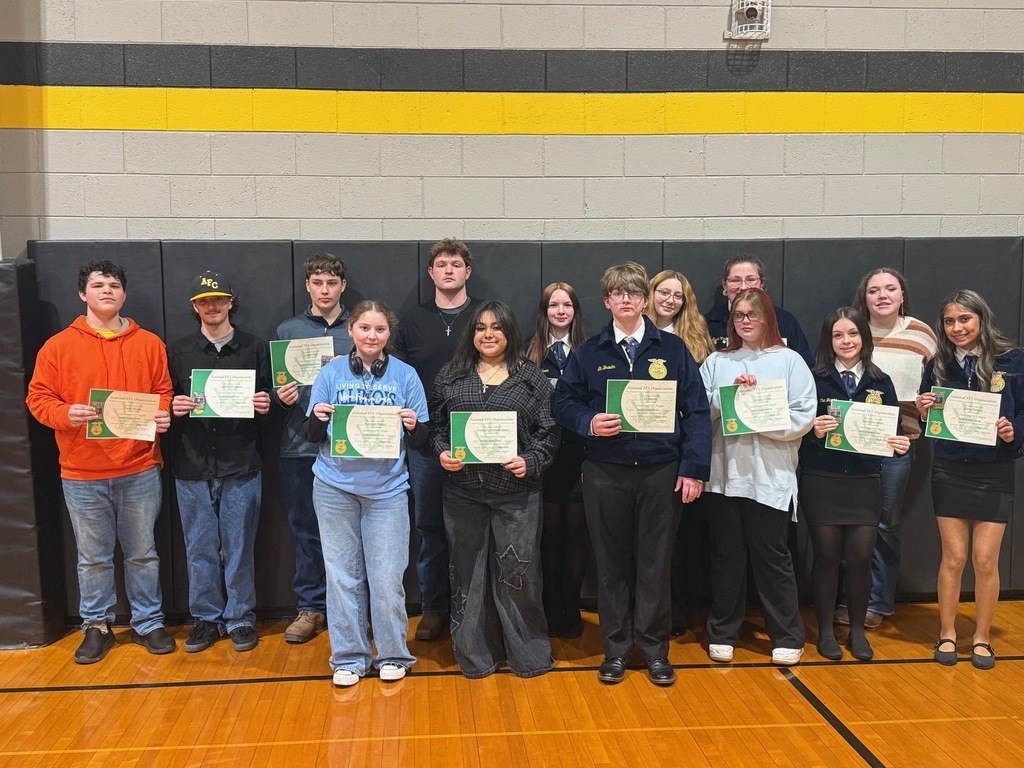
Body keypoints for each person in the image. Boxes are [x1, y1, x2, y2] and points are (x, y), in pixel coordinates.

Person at [553, 262, 711, 687]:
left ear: (645, 300)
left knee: (656, 565)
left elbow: (696, 412)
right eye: (617, 294)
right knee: (611, 566)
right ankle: (617, 651)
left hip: (662, 472)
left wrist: (694, 469)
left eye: (634, 293)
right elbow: (563, 404)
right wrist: (587, 421)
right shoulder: (589, 352)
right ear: (607, 301)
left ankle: (655, 652)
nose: (626, 300)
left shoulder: (673, 350)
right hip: (606, 472)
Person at [26, 260, 174, 664]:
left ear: (123, 294)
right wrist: (64, 414)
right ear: (83, 294)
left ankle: (148, 622)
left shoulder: (150, 344)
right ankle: (97, 625)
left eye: (113, 285)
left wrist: (162, 415)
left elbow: (163, 391)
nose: (106, 290)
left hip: (139, 467)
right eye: (97, 285)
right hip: (81, 472)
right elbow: (38, 398)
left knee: (143, 552)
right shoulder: (57, 346)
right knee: (92, 557)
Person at [432, 300, 559, 678]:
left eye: (496, 328)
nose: (488, 335)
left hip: (516, 493)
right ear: (472, 335)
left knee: (519, 576)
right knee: (466, 575)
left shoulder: (531, 378)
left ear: (510, 333)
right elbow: (437, 429)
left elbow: (549, 432)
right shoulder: (451, 376)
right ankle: (475, 658)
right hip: (463, 492)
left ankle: (529, 657)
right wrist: (441, 453)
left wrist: (531, 461)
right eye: (481, 328)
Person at [304, 301, 428, 687]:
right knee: (342, 576)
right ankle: (349, 657)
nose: (371, 336)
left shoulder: (406, 376)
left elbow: (424, 439)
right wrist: (318, 416)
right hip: (334, 488)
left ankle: (392, 653)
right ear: (352, 331)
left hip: (387, 491)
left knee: (388, 576)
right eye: (364, 328)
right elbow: (310, 435)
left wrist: (411, 425)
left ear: (388, 334)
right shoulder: (330, 372)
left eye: (379, 330)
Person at [699, 287, 815, 666]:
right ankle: (723, 631)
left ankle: (787, 634)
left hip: (770, 477)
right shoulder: (717, 361)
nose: (745, 321)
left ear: (768, 317)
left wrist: (757, 417)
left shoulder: (790, 360)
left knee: (773, 557)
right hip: (723, 475)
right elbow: (697, 412)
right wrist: (727, 398)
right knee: (726, 557)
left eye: (753, 314)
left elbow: (803, 416)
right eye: (739, 315)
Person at [915, 290, 1024, 670]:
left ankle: (982, 637)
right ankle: (947, 632)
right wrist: (923, 406)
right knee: (955, 557)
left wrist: (1015, 429)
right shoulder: (939, 363)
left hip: (993, 469)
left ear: (981, 319)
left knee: (984, 559)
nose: (957, 328)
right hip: (950, 468)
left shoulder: (1012, 359)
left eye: (965, 320)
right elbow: (929, 412)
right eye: (949, 321)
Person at [167, 271, 272, 654]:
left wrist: (266, 403)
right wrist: (173, 406)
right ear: (195, 307)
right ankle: (206, 619)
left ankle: (241, 618)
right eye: (204, 301)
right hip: (192, 465)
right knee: (199, 547)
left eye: (219, 300)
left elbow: (269, 398)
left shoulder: (254, 347)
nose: (212, 306)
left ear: (230, 303)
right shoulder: (177, 351)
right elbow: (166, 400)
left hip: (241, 462)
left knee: (240, 545)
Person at [800, 308, 909, 661]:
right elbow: (796, 431)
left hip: (865, 480)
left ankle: (858, 631)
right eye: (838, 335)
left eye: (853, 334)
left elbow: (893, 433)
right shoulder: (814, 378)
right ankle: (827, 632)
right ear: (828, 341)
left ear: (864, 338)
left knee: (861, 557)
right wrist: (812, 433)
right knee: (828, 556)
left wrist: (899, 444)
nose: (846, 341)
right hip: (822, 478)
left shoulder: (881, 381)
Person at [394, 238, 482, 641]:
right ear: (431, 273)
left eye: (456, 264)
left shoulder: (484, 317)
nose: (449, 270)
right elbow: (397, 379)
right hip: (426, 440)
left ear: (467, 271)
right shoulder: (410, 321)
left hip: (477, 439)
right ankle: (434, 609)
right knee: (429, 528)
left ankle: (474, 609)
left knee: (473, 529)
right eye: (441, 264)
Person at [843, 268, 937, 629]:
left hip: (899, 446)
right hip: (852, 446)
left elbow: (936, 390)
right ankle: (849, 599)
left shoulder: (923, 335)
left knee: (884, 526)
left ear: (902, 295)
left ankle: (877, 603)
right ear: (863, 297)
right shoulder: (853, 331)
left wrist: (929, 407)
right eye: (873, 291)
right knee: (847, 525)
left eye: (890, 289)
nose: (882, 296)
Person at [273, 253, 353, 644]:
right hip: (298, 446)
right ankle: (311, 607)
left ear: (342, 286)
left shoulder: (358, 329)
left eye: (332, 283)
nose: (325, 290)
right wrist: (280, 397)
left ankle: (351, 606)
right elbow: (275, 389)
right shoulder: (288, 330)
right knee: (306, 530)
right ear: (308, 286)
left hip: (348, 445)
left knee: (350, 532)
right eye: (318, 283)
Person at [646, 269, 715, 636]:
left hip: (682, 448)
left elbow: (699, 408)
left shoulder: (696, 342)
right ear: (649, 293)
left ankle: (675, 612)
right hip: (644, 451)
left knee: (679, 540)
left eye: (678, 295)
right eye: (664, 292)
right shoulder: (633, 337)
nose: (670, 300)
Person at [526, 282, 589, 638]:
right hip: (544, 453)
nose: (561, 311)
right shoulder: (529, 353)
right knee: (548, 534)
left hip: (580, 453)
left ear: (576, 310)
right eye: (554, 305)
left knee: (577, 533)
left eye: (567, 304)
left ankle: (572, 605)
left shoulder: (589, 351)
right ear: (544, 310)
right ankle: (551, 607)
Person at [703, 255, 814, 367]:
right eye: (735, 280)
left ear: (762, 284)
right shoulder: (708, 324)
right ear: (724, 285)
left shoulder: (785, 321)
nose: (743, 287)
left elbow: (805, 366)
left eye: (750, 279)